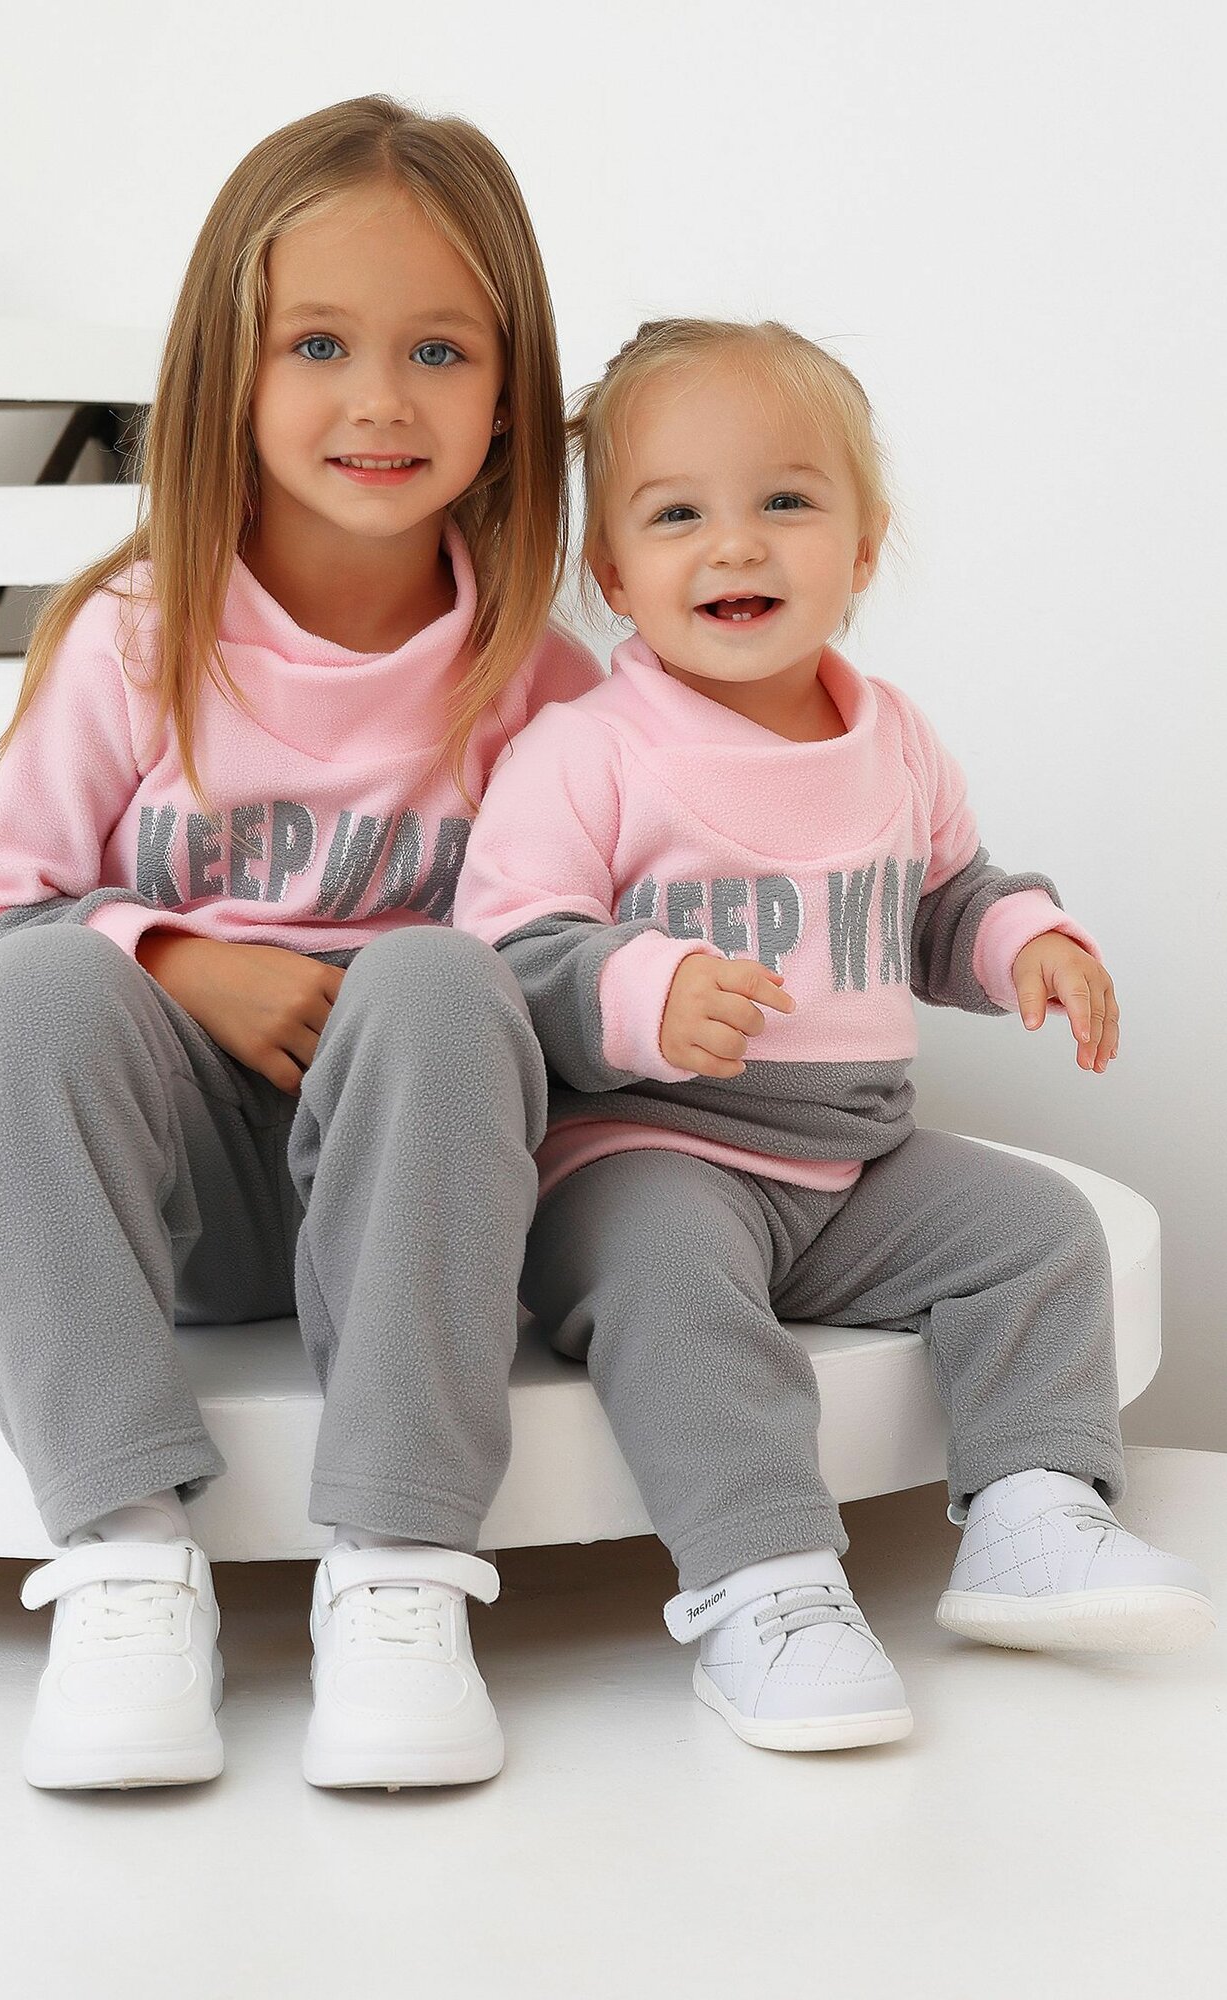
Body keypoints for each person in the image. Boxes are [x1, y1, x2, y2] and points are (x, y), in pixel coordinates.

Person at [0, 95, 599, 1794]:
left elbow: (579, 977)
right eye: (319, 344)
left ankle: (401, 1565)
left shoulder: (545, 685)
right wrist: (171, 955)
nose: (381, 399)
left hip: (428, 1222)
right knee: (41, 981)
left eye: (439, 349)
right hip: (177, 1206)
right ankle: (123, 1558)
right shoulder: (135, 637)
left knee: (444, 979)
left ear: (510, 393)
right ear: (231, 372)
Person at [454, 317, 1213, 1754]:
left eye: (785, 502)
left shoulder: (895, 739)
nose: (734, 545)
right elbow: (506, 953)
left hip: (852, 1164)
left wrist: (1025, 943)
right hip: (640, 1156)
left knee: (1039, 1233)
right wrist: (639, 991)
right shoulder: (588, 751)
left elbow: (944, 896)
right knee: (678, 1291)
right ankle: (767, 1588)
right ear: (612, 573)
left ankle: (1033, 1514)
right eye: (677, 515)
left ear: (863, 547)